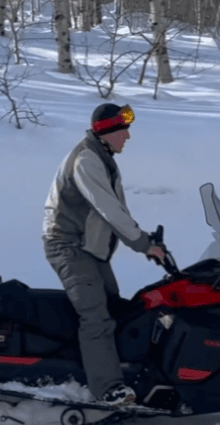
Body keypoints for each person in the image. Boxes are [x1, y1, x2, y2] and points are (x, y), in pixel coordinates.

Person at [43, 103, 168, 406]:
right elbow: (108, 209)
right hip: (68, 245)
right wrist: (142, 243)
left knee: (116, 309)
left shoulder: (102, 159)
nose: (127, 136)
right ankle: (107, 389)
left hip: (89, 249)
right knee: (96, 315)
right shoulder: (87, 159)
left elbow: (116, 211)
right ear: (107, 132)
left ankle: (116, 371)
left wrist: (145, 240)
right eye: (123, 130)